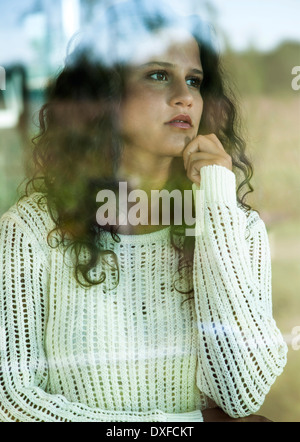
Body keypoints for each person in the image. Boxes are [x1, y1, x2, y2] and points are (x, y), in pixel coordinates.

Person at [0, 0, 287, 422]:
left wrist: (217, 204)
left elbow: (242, 394)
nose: (184, 96)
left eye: (194, 80)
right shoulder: (32, 229)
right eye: (158, 75)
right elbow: (12, 401)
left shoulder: (236, 226)